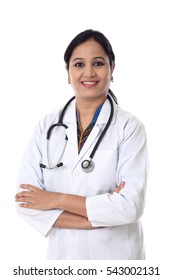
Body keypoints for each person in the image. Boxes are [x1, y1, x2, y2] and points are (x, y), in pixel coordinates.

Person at [15, 29, 148, 260]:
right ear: (68, 72)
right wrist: (95, 218)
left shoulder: (129, 127)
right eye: (78, 64)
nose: (89, 72)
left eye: (98, 63)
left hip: (116, 260)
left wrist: (54, 199)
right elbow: (25, 201)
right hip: (63, 259)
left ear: (112, 69)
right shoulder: (47, 126)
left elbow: (129, 206)